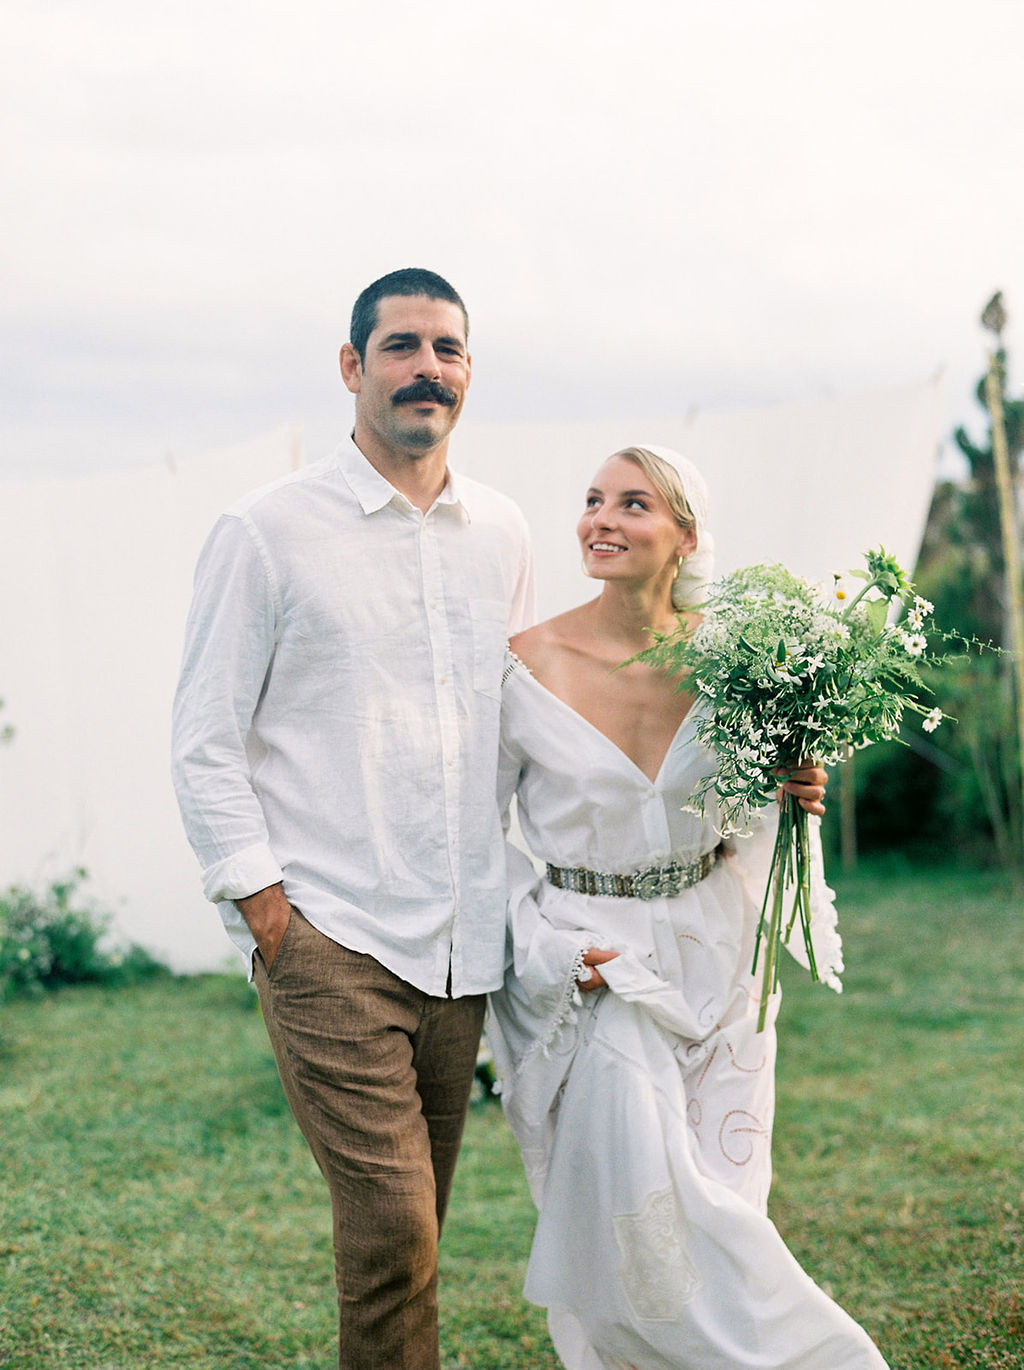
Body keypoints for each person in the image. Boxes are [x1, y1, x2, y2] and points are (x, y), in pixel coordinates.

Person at [171, 268, 533, 1370]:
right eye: (402, 346)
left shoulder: (501, 532)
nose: (429, 367)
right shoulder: (267, 530)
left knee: (418, 1228)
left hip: (464, 946)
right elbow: (204, 736)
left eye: (449, 348)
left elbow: (529, 725)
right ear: (351, 366)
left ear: (468, 372)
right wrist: (271, 917)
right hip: (331, 938)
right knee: (393, 1233)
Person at [487, 444, 889, 1369]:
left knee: (724, 1193)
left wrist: (795, 784)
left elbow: (745, 811)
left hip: (717, 952)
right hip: (590, 964)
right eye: (592, 501)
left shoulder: (740, 666)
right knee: (641, 1208)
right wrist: (546, 950)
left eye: (633, 504)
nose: (602, 520)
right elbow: (480, 837)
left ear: (686, 537)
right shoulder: (521, 663)